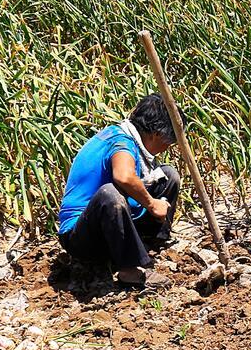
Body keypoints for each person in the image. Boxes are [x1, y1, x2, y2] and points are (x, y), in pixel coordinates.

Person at [57, 94, 183, 287]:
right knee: (110, 194)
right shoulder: (121, 141)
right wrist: (152, 204)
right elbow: (123, 177)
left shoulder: (130, 140)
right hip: (81, 236)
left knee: (168, 175)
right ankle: (130, 269)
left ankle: (149, 243)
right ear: (156, 133)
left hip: (113, 225)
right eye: (167, 141)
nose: (166, 147)